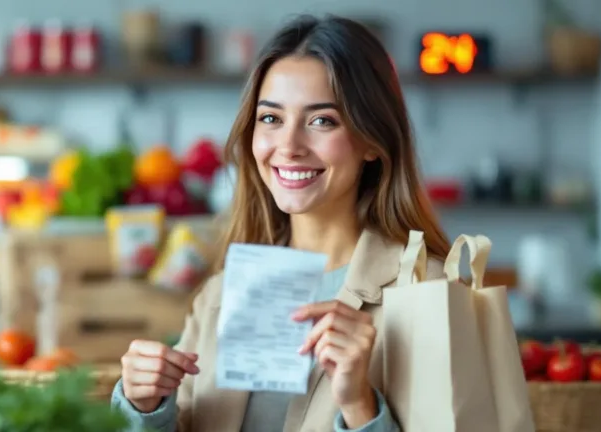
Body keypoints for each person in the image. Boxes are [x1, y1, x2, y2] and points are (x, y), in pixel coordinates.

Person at [112, 14, 452, 432]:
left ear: (372, 141)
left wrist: (360, 406)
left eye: (322, 120)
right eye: (271, 119)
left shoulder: (428, 290)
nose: (289, 146)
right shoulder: (219, 295)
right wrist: (144, 408)